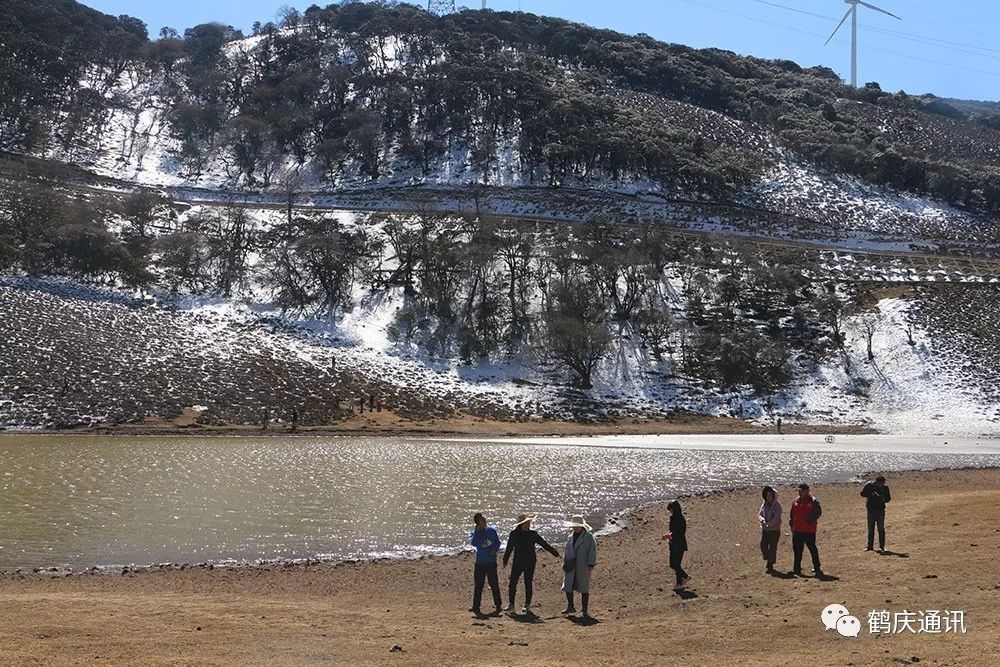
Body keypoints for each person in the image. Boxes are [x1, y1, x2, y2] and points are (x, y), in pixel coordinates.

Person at [502, 514, 560, 614]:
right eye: (526, 523)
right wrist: (505, 560)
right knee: (512, 583)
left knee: (527, 583)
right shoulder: (514, 534)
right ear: (521, 524)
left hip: (530, 562)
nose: (529, 524)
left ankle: (527, 604)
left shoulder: (533, 534)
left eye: (529, 522)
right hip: (518, 562)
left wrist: (555, 553)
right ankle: (511, 604)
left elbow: (544, 544)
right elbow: (509, 548)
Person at [561, 515, 598, 618]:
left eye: (577, 526)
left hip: (583, 565)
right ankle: (570, 606)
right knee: (568, 585)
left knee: (583, 587)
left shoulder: (589, 537)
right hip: (571, 564)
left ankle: (585, 610)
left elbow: (592, 551)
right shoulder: (570, 537)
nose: (575, 528)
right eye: (574, 526)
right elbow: (567, 551)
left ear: (582, 526)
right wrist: (564, 562)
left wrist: (591, 563)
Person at [469, 512, 502, 615]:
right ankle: (476, 606)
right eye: (481, 520)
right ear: (478, 523)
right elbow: (473, 543)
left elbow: (497, 543)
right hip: (480, 563)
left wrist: (494, 550)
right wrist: (477, 532)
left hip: (491, 562)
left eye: (484, 519)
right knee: (479, 585)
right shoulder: (476, 533)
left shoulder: (492, 531)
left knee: (494, 584)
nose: (484, 521)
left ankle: (498, 605)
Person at [789, 483, 823, 577]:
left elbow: (818, 512)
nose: (800, 492)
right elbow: (792, 513)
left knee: (812, 549)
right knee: (797, 551)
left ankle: (817, 567)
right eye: (799, 491)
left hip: (809, 530)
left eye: (802, 491)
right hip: (797, 530)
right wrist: (791, 524)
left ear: (807, 491)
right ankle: (796, 569)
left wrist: (809, 520)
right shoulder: (796, 500)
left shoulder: (813, 501)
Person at [662, 500, 690, 591]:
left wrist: (669, 535)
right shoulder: (675, 518)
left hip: (679, 544)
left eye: (671, 510)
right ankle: (684, 577)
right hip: (675, 544)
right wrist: (670, 535)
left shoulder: (679, 519)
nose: (670, 512)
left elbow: (679, 533)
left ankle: (680, 583)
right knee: (673, 564)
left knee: (676, 564)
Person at [861, 475, 892, 552]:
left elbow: (888, 499)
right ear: (877, 482)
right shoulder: (869, 486)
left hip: (880, 510)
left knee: (881, 529)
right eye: (881, 483)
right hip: (871, 510)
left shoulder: (885, 488)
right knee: (870, 529)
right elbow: (862, 494)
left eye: (883, 483)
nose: (882, 485)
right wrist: (871, 494)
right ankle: (870, 546)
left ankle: (881, 547)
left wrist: (882, 497)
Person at [758, 486, 782, 572]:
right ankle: (768, 558)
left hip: (774, 530)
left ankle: (770, 564)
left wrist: (770, 524)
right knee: (763, 545)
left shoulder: (777, 506)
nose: (769, 497)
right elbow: (760, 514)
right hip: (765, 530)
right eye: (767, 496)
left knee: (772, 547)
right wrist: (763, 521)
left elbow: (777, 518)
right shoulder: (764, 505)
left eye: (770, 495)